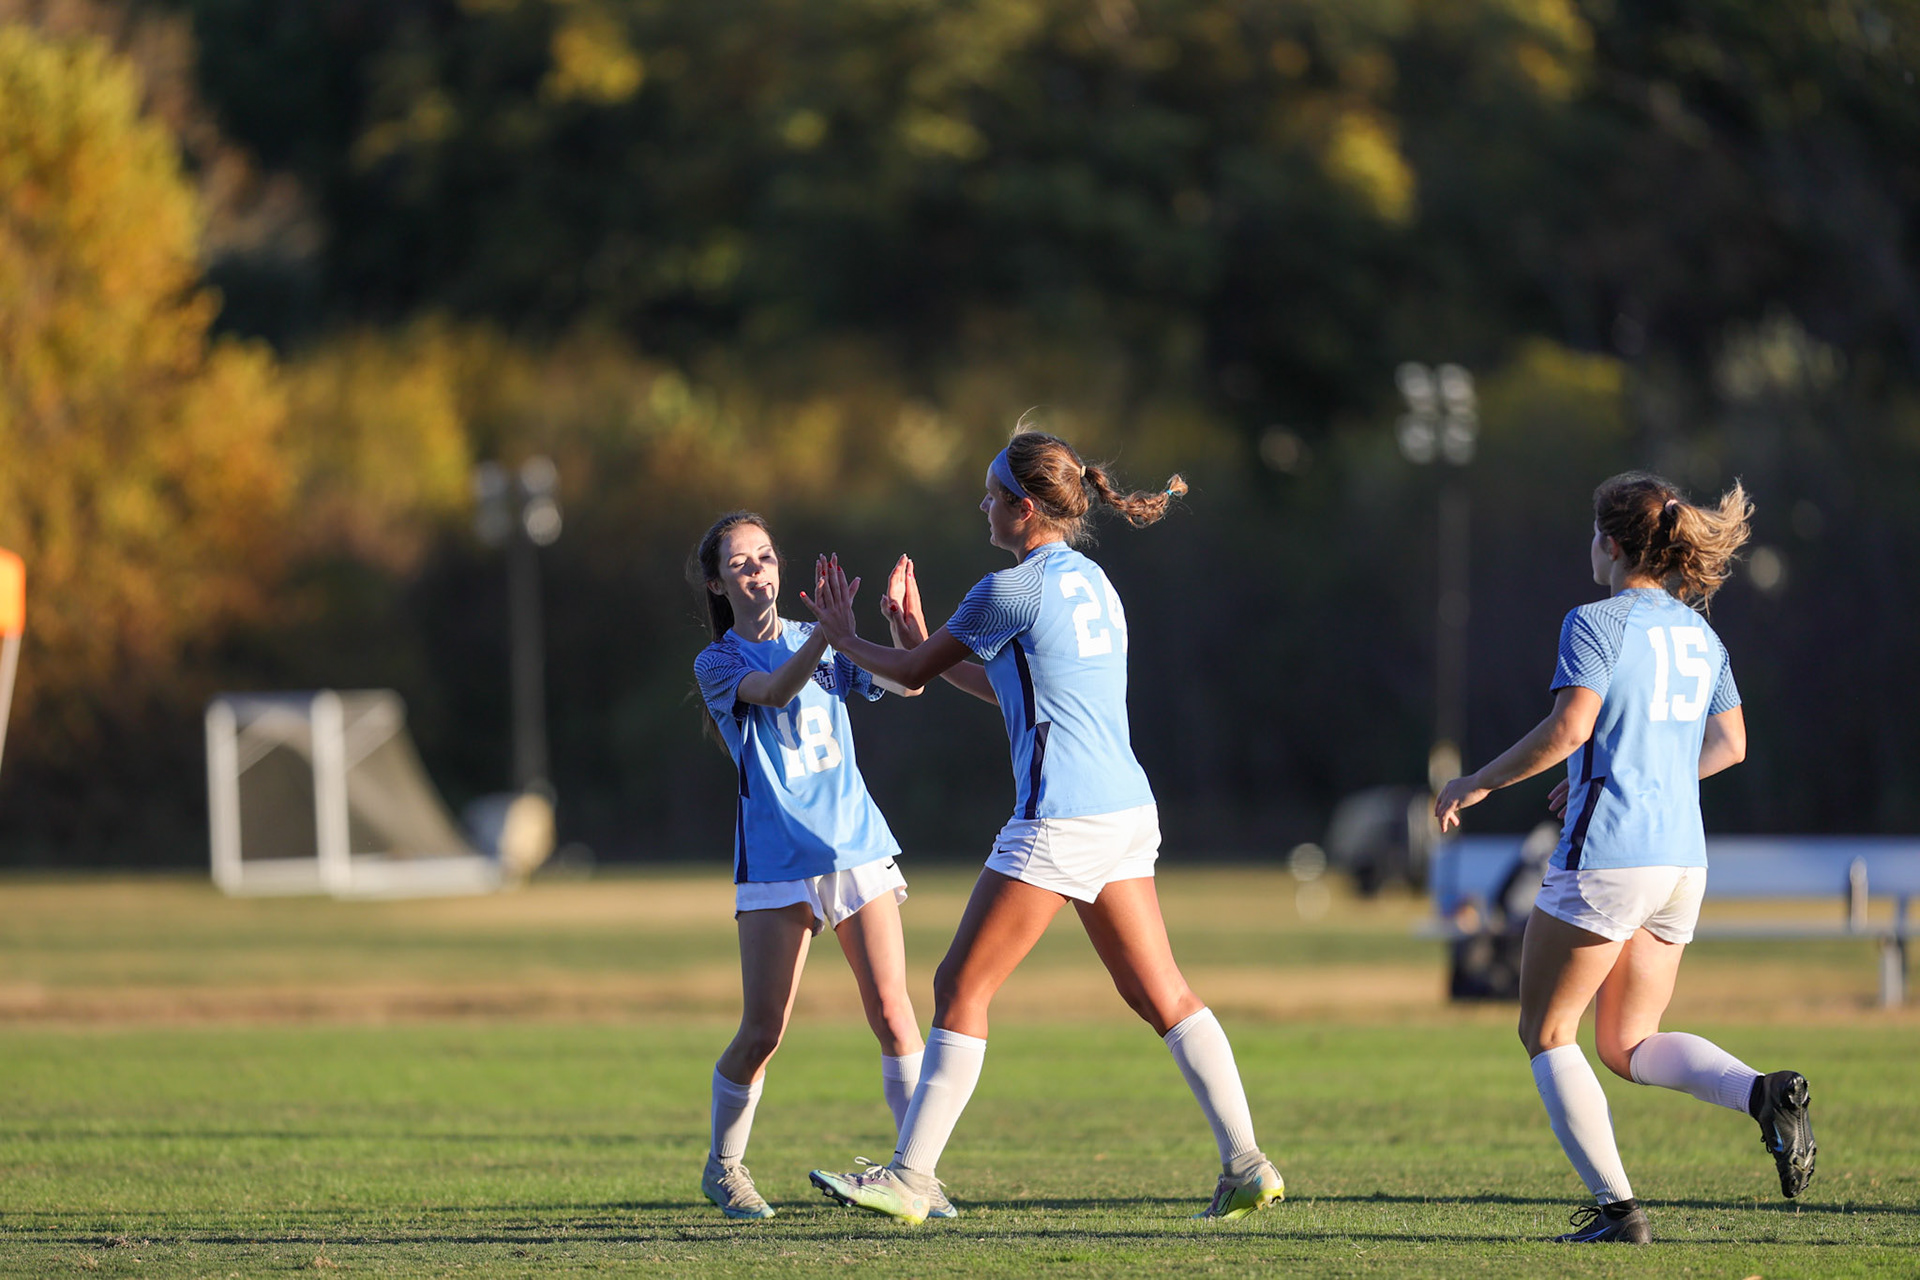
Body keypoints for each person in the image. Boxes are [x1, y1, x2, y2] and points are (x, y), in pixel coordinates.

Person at [798, 430, 1285, 1225]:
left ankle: (911, 1178)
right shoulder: (1092, 581)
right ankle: (1247, 1163)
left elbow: (919, 678)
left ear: (1026, 508)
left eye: (992, 495)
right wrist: (915, 640)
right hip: (1126, 812)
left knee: (960, 985)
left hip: (1062, 816)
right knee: (1162, 994)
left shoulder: (1007, 589)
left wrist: (845, 635)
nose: (983, 505)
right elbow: (1017, 690)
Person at [1433, 472, 1815, 1245]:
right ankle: (1763, 1094)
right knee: (1627, 1044)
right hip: (1681, 864)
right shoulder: (1701, 634)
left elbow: (1570, 728)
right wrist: (1639, 772)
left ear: (1610, 543)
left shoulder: (1597, 621)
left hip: (1610, 856)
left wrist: (1478, 782)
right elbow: (1732, 745)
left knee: (1546, 1033)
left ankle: (1618, 1212)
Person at [688, 511, 952, 1220]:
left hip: (855, 843)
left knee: (896, 1015)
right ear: (719, 582)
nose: (758, 570)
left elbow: (908, 683)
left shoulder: (821, 641)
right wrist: (834, 639)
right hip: (778, 858)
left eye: (766, 558)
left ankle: (915, 1175)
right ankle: (725, 1166)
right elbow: (773, 694)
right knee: (764, 1031)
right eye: (741, 563)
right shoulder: (718, 661)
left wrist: (898, 625)